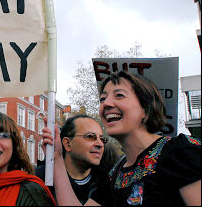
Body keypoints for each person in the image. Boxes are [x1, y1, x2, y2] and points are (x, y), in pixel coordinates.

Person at [42, 71, 201, 206]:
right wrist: (57, 158)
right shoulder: (115, 174)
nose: (106, 104)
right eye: (103, 99)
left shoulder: (180, 151)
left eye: (119, 95)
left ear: (145, 108)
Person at [36, 114, 120, 204]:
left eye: (102, 139)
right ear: (68, 144)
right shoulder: (40, 181)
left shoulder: (110, 180)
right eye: (90, 137)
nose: (100, 144)